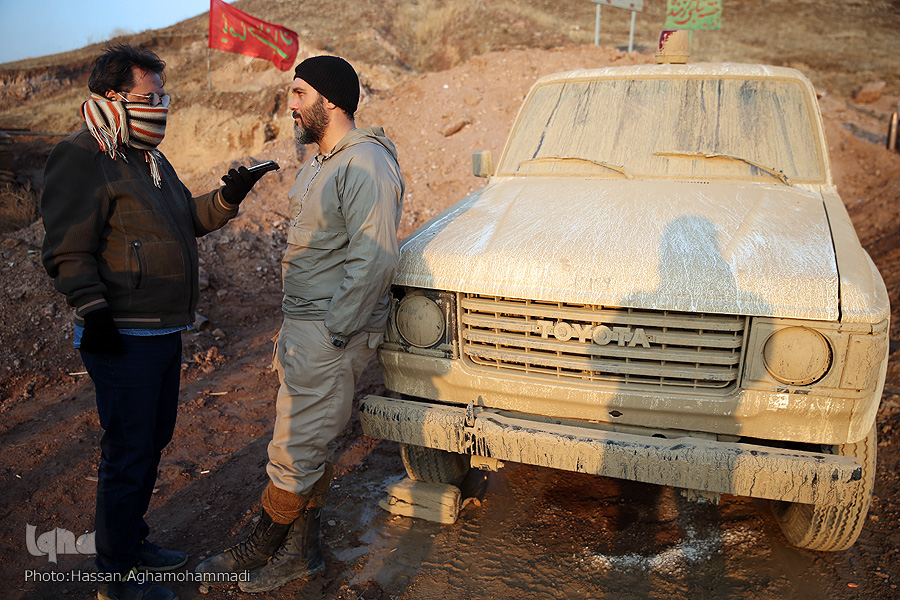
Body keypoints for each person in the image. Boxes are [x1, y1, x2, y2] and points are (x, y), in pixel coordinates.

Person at [40, 44, 273, 600]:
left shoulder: (147, 158)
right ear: (114, 98)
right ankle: (116, 575)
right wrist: (91, 309)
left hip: (162, 328)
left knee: (152, 439)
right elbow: (67, 248)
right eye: (150, 97)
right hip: (120, 332)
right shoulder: (83, 155)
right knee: (129, 448)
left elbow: (183, 221)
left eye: (163, 97)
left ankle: (131, 540)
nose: (161, 107)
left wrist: (227, 198)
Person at [197, 55, 404, 593]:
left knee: (295, 448)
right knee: (304, 440)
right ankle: (300, 552)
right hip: (306, 326)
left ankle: (267, 541)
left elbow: (374, 258)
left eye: (299, 94)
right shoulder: (322, 160)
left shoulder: (367, 165)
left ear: (330, 100)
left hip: (332, 330)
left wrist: (336, 329)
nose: (289, 106)